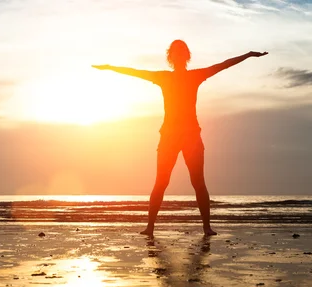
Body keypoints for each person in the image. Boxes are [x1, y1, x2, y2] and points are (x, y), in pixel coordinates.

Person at [93, 40, 268, 236]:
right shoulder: (164, 77)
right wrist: (110, 68)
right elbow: (135, 72)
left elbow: (222, 65)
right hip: (169, 136)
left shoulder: (194, 76)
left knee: (198, 182)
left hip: (191, 136)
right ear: (172, 57)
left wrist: (247, 55)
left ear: (185, 56)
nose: (177, 56)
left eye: (180, 52)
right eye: (175, 53)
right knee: (161, 182)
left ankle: (206, 227)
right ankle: (150, 227)